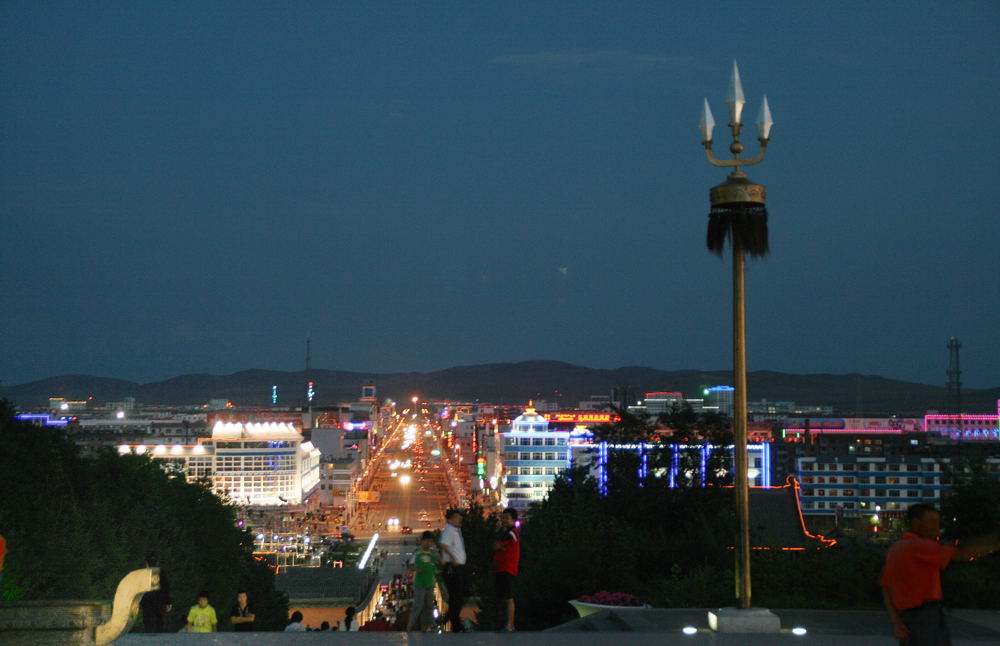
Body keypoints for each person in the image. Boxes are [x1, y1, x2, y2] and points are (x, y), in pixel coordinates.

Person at [881, 502, 1000, 645]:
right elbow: (964, 552)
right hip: (926, 617)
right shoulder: (920, 546)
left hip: (906, 618)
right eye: (932, 522)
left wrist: (897, 622)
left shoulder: (896, 548)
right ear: (915, 523)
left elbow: (886, 588)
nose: (936, 527)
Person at [438, 509, 468, 632]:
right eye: (456, 518)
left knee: (458, 596)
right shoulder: (449, 530)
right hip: (452, 567)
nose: (459, 520)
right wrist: (454, 558)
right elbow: (443, 544)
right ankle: (454, 624)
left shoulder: (456, 530)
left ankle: (449, 620)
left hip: (457, 567)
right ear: (450, 520)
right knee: (457, 596)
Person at [493, 507, 520, 632]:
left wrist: (498, 546)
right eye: (503, 518)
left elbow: (498, 546)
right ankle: (507, 624)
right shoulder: (505, 532)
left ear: (513, 520)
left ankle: (510, 625)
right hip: (501, 568)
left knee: (509, 598)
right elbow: (497, 547)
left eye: (507, 518)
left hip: (507, 568)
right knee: (504, 598)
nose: (503, 520)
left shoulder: (512, 533)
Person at [407, 531, 440, 631]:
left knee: (429, 606)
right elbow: (411, 565)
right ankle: (410, 626)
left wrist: (436, 555)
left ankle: (425, 627)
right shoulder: (417, 552)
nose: (429, 544)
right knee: (418, 605)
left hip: (430, 583)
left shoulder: (433, 553)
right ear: (422, 541)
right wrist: (417, 570)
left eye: (431, 542)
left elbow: (440, 563)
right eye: (427, 541)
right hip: (419, 583)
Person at [140, 553, 171, 632]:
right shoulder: (162, 572)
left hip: (147, 604)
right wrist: (168, 602)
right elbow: (166, 587)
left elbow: (139, 589)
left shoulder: (143, 573)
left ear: (146, 563)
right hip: (160, 602)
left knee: (148, 625)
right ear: (157, 562)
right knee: (160, 625)